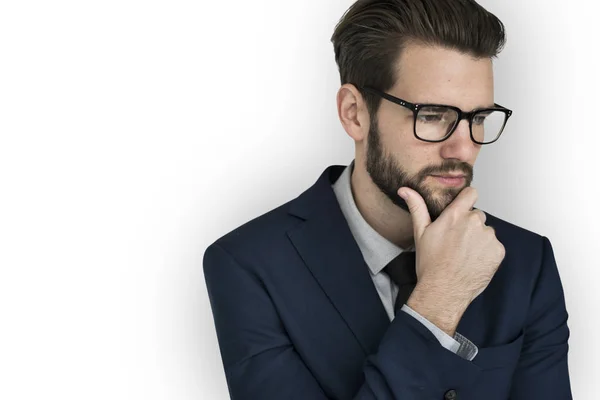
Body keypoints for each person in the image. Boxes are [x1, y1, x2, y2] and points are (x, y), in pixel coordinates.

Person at [203, 0, 573, 398]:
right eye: (432, 115)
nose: (463, 149)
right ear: (354, 113)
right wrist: (437, 303)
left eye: (478, 118)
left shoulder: (525, 261)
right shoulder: (250, 264)